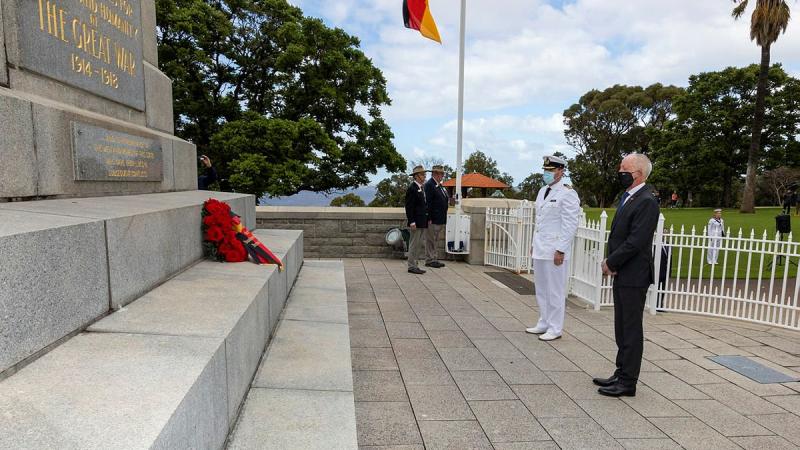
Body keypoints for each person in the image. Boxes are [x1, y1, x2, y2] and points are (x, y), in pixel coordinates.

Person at [594, 153, 660, 397]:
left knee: (631, 329)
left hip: (634, 275)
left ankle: (628, 381)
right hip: (623, 272)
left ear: (639, 174)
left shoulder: (646, 201)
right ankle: (621, 372)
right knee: (621, 327)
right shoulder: (629, 197)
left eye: (625, 168)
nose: (620, 171)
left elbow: (636, 241)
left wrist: (611, 261)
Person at [525, 155, 580, 341]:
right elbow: (539, 221)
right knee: (541, 288)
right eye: (545, 170)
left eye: (550, 171)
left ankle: (555, 328)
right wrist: (534, 244)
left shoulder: (567, 193)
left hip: (555, 249)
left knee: (555, 290)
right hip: (541, 247)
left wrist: (561, 249)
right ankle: (544, 322)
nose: (546, 174)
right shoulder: (542, 191)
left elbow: (570, 223)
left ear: (561, 171)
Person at [405, 165, 429, 274]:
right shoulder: (412, 189)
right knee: (414, 244)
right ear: (416, 176)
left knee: (418, 244)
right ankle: (411, 266)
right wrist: (412, 221)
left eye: (424, 174)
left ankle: (415, 265)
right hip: (416, 222)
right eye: (422, 174)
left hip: (422, 222)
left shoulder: (421, 188)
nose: (424, 176)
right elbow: (409, 207)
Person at [424, 165, 449, 268]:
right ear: (434, 174)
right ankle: (429, 260)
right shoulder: (429, 185)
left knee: (435, 240)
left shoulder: (439, 185)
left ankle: (434, 258)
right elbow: (427, 203)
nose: (442, 176)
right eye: (440, 174)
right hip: (433, 218)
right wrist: (429, 217)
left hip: (440, 218)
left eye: (442, 174)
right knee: (430, 240)